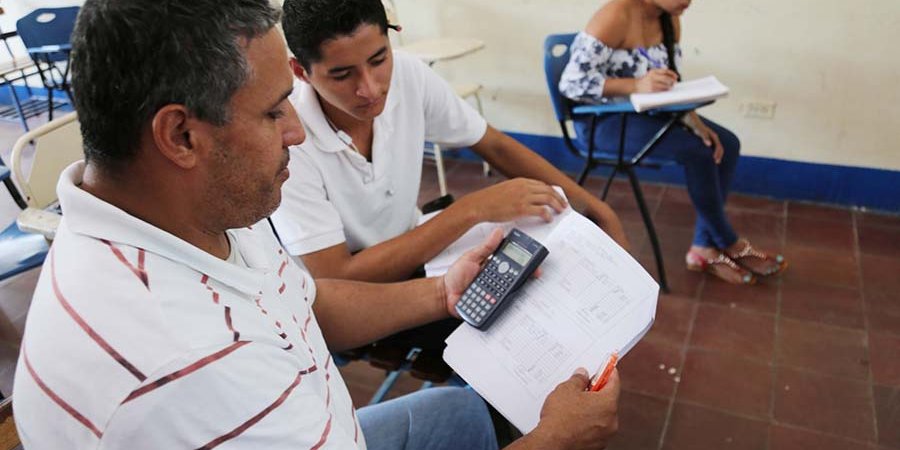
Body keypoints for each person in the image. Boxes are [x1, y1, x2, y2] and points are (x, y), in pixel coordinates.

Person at [12, 1, 621, 449]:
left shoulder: (197, 209)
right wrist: (556, 440)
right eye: (275, 111)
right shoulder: (188, 371)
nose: (297, 131)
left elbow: (307, 300)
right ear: (181, 136)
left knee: (459, 415)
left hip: (324, 418)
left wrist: (443, 291)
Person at [270, 0, 628, 284]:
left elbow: (495, 145)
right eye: (342, 75)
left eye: (379, 59)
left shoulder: (409, 75)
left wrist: (597, 209)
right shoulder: (287, 142)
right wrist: (471, 211)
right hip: (355, 296)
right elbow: (337, 277)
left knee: (550, 272)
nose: (371, 88)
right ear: (301, 71)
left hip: (415, 248)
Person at [559, 0, 787, 285]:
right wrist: (634, 85)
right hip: (603, 123)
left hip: (648, 114)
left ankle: (703, 246)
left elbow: (670, 84)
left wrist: (695, 123)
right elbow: (571, 83)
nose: (689, 1)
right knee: (697, 152)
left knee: (725, 143)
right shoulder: (615, 15)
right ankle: (727, 241)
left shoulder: (669, 18)